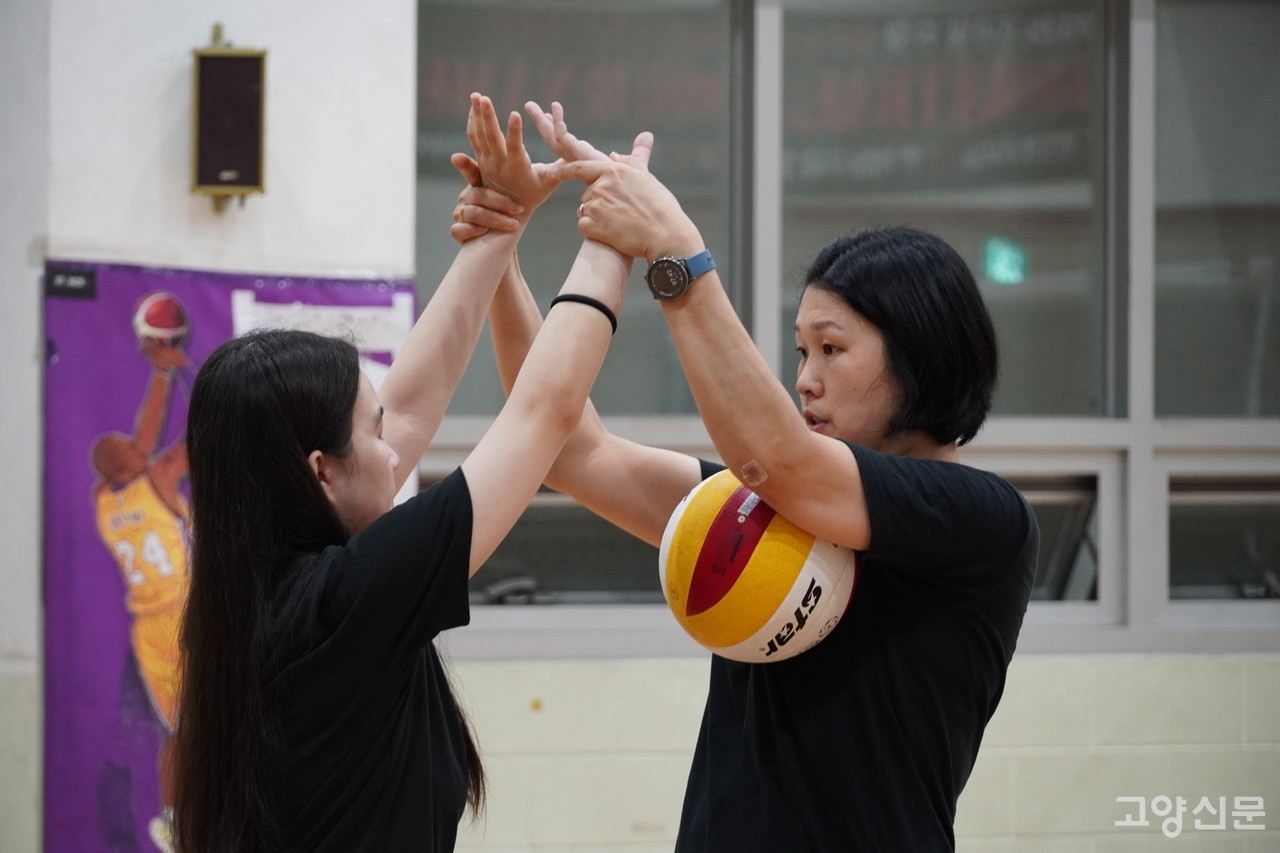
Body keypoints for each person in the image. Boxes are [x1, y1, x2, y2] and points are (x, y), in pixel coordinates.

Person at [452, 102, 1039, 852]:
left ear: (922, 356)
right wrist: (501, 242)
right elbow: (572, 452)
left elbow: (780, 459)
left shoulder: (982, 521)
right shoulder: (765, 496)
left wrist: (673, 250)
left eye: (832, 349)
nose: (806, 379)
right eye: (801, 352)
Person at [168, 93, 646, 853]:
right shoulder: (348, 597)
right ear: (320, 471)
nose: (399, 450)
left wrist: (498, 228)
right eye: (374, 429)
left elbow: (414, 403)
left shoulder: (266, 590)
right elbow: (543, 412)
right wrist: (619, 237)